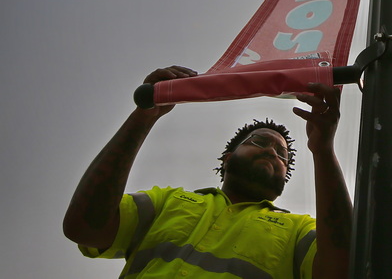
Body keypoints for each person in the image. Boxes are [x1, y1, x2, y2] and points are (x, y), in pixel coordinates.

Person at [63, 65, 352, 279]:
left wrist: (323, 151)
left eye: (282, 156)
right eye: (260, 142)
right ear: (227, 158)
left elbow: (341, 269)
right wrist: (144, 115)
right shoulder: (166, 202)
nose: (271, 152)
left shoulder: (299, 230)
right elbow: (85, 227)